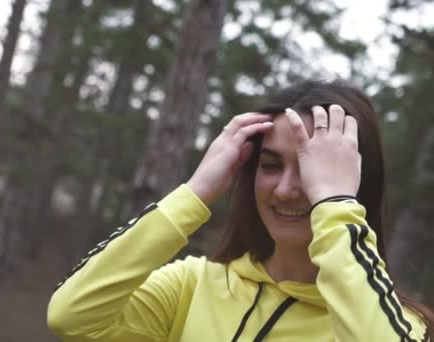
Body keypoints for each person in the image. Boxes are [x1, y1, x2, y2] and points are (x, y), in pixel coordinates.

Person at [47, 80, 433, 341]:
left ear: (353, 182)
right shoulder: (192, 285)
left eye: (311, 169)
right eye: (270, 165)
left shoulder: (396, 325)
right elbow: (71, 315)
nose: (285, 189)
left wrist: (334, 207)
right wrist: (195, 192)